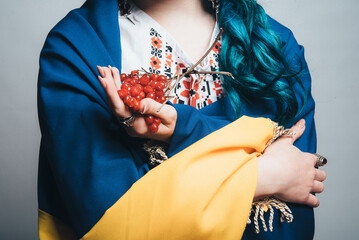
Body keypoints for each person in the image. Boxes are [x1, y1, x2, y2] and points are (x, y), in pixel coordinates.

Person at [37, 0, 326, 239]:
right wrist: (264, 176)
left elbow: (291, 218)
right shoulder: (77, 48)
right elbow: (114, 222)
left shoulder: (274, 46)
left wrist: (179, 131)